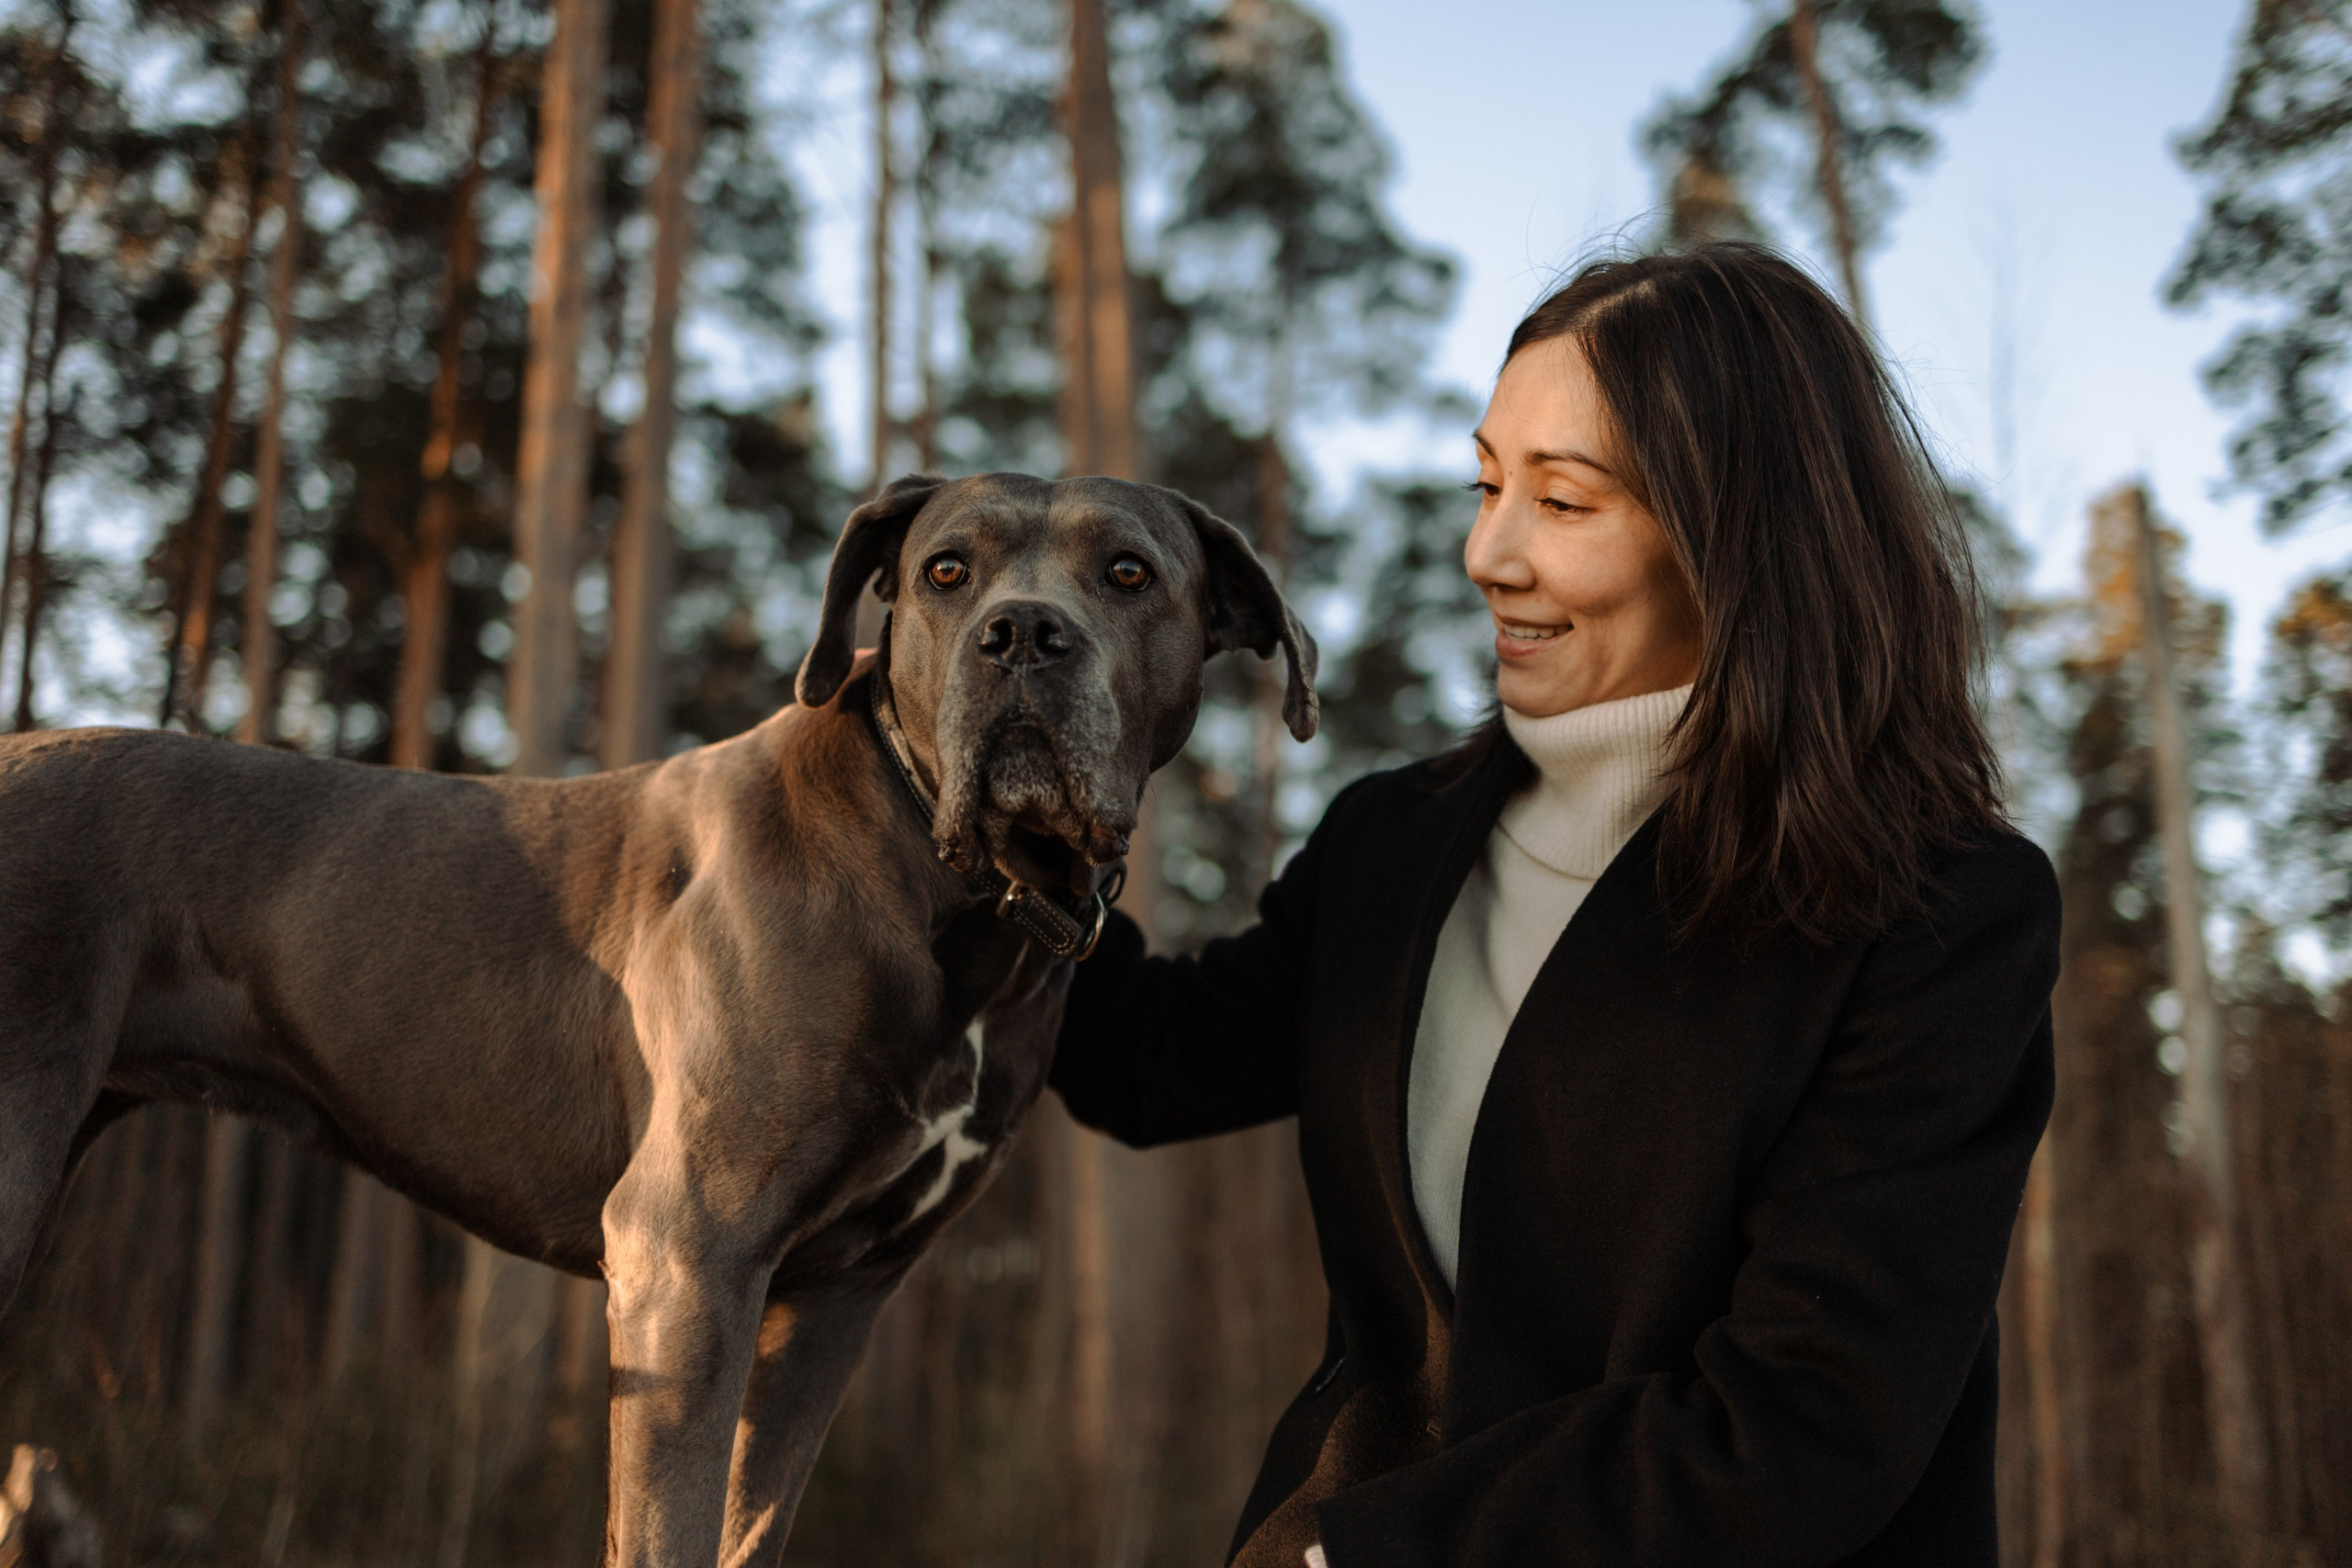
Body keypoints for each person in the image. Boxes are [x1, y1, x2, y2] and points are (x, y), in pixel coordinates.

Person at [1047, 243, 2061, 1568]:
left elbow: (1809, 1425)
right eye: (1486, 484)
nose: (1488, 553)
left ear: (1735, 533)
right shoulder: (1392, 844)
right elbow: (1140, 1061)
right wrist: (1004, 809)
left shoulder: (1938, 913)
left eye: (1565, 504)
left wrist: (1352, 1555)